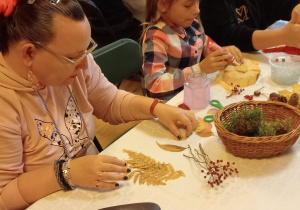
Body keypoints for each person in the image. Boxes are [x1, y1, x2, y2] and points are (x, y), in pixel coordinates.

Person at [0, 0, 197, 209]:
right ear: (29, 53)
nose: (85, 64)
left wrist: (155, 108)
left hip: (91, 190)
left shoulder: (75, 61)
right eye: (72, 57)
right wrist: (67, 173)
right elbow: (4, 195)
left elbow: (110, 102)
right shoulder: (6, 103)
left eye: (87, 50)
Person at [142, 0, 243, 100]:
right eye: (188, 5)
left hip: (194, 94)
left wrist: (218, 52)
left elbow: (203, 42)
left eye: (197, 2)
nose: (197, 10)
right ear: (163, 5)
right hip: (169, 105)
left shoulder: (193, 25)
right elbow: (153, 86)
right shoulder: (156, 37)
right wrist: (199, 69)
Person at [200, 0, 300, 52]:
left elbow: (283, 4)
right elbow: (229, 37)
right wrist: (282, 36)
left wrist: (297, 10)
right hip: (229, 64)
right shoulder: (210, 3)